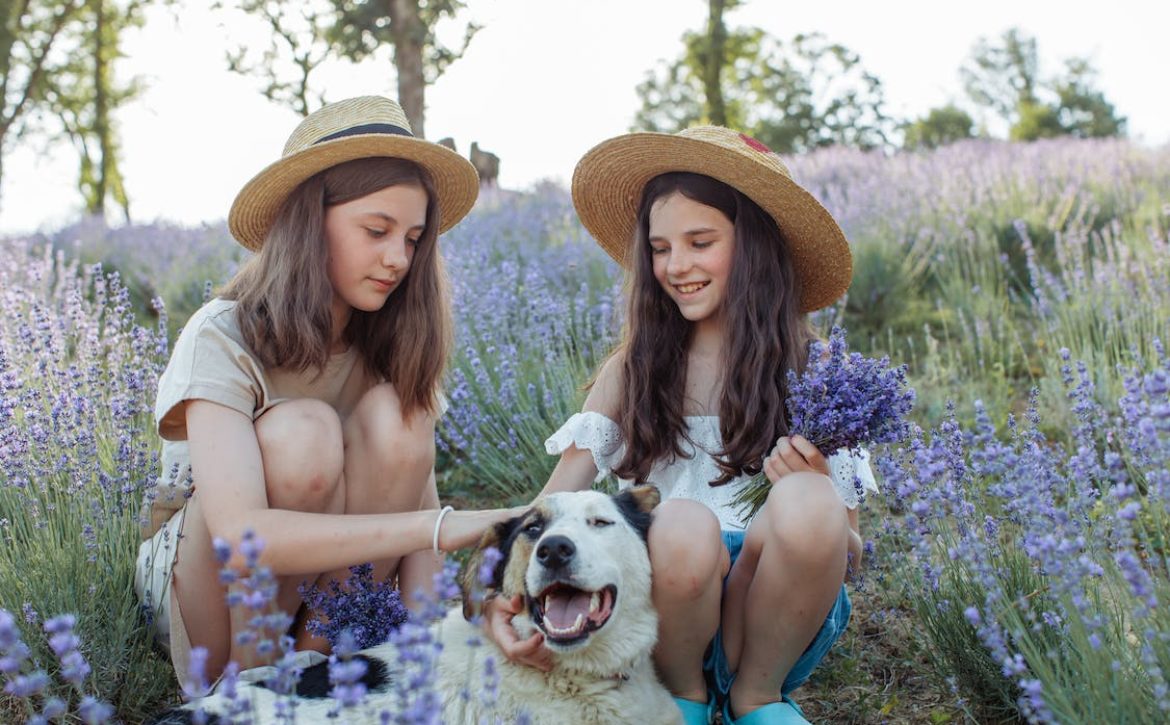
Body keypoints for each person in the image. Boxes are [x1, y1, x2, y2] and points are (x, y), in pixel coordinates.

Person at [483, 127, 877, 725]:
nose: (677, 265)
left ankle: (756, 699)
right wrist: (497, 588)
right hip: (664, 616)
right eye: (660, 248)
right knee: (683, 523)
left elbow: (848, 552)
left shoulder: (815, 374)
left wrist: (819, 480)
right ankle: (681, 698)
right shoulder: (636, 368)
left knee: (808, 498)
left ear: (755, 248)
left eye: (701, 242)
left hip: (776, 616)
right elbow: (554, 502)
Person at [135, 95, 521, 690]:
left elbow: (420, 506)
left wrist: (434, 657)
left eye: (413, 238)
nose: (398, 258)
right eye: (376, 230)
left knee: (400, 414)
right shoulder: (225, 333)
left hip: (325, 607)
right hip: (210, 599)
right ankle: (250, 683)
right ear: (311, 221)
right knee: (303, 433)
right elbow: (240, 540)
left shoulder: (392, 339)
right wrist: (438, 526)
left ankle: (317, 671)